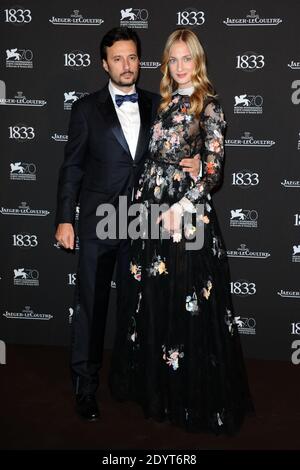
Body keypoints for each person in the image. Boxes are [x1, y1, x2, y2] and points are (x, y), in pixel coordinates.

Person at [109, 28, 254, 435]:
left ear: (198, 60)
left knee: (185, 301)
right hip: (150, 214)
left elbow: (213, 169)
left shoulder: (209, 104)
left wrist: (181, 208)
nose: (179, 66)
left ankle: (187, 397)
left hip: (183, 215)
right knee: (153, 301)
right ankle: (156, 390)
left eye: (185, 58)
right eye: (172, 59)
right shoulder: (164, 103)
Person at [55, 27, 200, 422]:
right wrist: (65, 218)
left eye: (132, 57)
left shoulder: (160, 104)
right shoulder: (86, 109)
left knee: (137, 307)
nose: (126, 65)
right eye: (117, 58)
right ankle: (85, 388)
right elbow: (72, 168)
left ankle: (133, 382)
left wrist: (201, 163)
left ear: (141, 60)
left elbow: (184, 148)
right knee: (92, 307)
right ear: (105, 64)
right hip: (100, 220)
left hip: (143, 220)